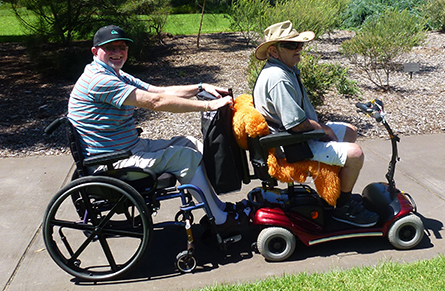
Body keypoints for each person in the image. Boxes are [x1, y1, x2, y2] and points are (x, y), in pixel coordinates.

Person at [68, 25, 249, 232]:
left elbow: (159, 90)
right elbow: (155, 101)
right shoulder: (100, 81)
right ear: (95, 51)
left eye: (122, 47)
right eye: (110, 48)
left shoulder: (114, 73)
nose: (117, 52)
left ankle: (218, 208)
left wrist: (200, 87)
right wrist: (208, 105)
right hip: (112, 163)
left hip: (128, 148)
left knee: (191, 143)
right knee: (185, 157)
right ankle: (221, 220)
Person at [252, 21, 379, 227]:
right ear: (274, 51)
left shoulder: (284, 69)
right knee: (355, 154)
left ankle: (335, 193)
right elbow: (295, 125)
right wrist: (323, 129)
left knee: (350, 131)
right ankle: (343, 208)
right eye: (292, 45)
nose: (299, 49)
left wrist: (322, 129)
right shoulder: (278, 78)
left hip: (293, 137)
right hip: (291, 146)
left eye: (299, 44)